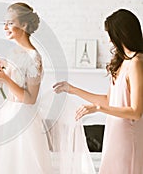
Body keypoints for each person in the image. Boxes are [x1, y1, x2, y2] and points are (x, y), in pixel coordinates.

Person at [53, 9, 143, 174]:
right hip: (114, 133)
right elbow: (110, 100)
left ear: (121, 33)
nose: (109, 39)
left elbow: (136, 112)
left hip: (127, 138)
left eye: (110, 34)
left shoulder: (137, 62)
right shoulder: (122, 62)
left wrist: (97, 109)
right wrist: (72, 89)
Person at [0, 2, 54, 173]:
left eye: (10, 23)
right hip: (6, 114)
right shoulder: (13, 52)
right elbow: (10, 87)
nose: (5, 27)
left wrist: (5, 78)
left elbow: (30, 99)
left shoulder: (34, 56)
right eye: (4, 23)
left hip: (23, 120)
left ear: (24, 25)